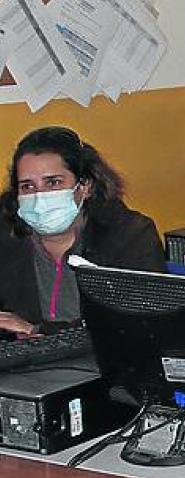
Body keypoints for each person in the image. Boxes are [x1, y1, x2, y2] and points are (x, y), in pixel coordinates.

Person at [0, 126, 164, 336]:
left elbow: (137, 326)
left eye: (53, 183)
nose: (39, 196)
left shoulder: (130, 235)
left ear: (84, 186)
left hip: (100, 361)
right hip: (22, 363)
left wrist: (37, 331)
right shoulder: (6, 234)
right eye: (27, 186)